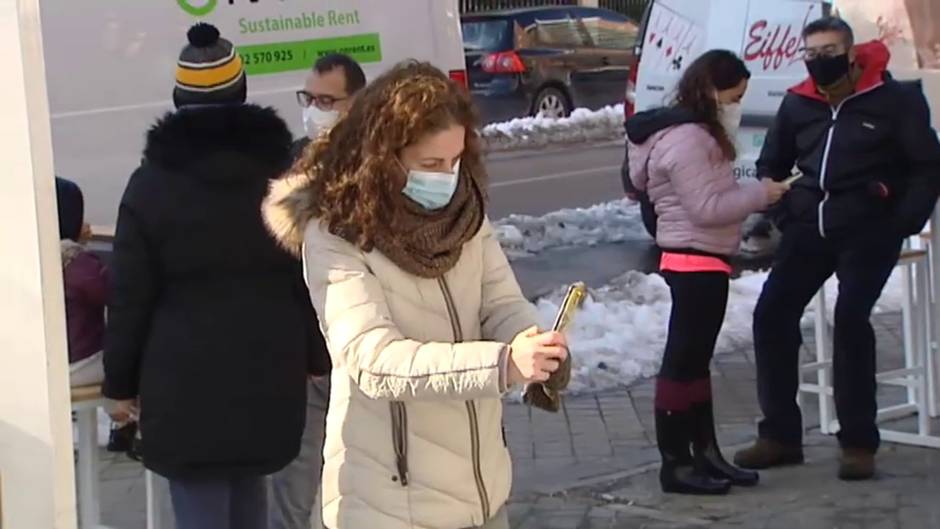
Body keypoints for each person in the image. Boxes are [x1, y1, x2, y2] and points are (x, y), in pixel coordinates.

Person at [262, 61, 568, 529]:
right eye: (430, 164)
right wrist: (500, 364)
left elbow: (500, 304)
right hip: (388, 503)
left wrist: (536, 344)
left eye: (455, 161)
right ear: (385, 156)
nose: (446, 177)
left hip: (481, 495)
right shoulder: (338, 233)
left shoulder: (465, 214)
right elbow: (373, 359)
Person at [103, 23, 326, 529]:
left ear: (179, 99)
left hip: (182, 381)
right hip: (270, 367)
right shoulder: (281, 176)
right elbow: (305, 270)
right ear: (242, 92)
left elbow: (130, 294)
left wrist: (120, 383)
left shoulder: (150, 185)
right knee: (252, 493)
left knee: (200, 505)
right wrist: (315, 354)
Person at [734, 17, 940, 481]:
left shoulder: (894, 101)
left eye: (828, 53)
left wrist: (901, 220)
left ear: (850, 54)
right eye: (811, 54)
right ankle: (781, 436)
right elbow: (772, 163)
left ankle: (858, 443)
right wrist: (787, 214)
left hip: (869, 230)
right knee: (771, 315)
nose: (819, 63)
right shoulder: (798, 104)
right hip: (809, 228)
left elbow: (927, 166)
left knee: (849, 320)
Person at [626, 50, 789, 496]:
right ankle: (676, 464)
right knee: (683, 362)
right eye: (734, 97)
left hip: (702, 257)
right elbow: (707, 208)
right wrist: (761, 194)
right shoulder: (688, 141)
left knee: (695, 362)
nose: (736, 106)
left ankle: (705, 453)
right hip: (693, 257)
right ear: (713, 92)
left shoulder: (689, 134)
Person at [269, 52, 365, 529]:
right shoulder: (292, 166)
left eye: (328, 100)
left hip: (361, 352)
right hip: (308, 357)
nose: (315, 109)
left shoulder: (378, 170)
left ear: (356, 104)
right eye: (310, 98)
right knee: (296, 484)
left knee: (358, 485)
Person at [56, 176, 108, 387]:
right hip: (74, 366)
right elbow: (115, 292)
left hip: (31, 365)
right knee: (134, 354)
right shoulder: (75, 261)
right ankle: (123, 413)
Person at [292, 53, 366, 158]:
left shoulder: (374, 154)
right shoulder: (296, 155)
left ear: (356, 101)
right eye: (308, 98)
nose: (312, 108)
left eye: (325, 100)